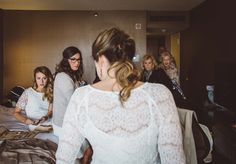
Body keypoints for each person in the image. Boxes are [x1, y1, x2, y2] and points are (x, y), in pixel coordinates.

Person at [56, 27, 185, 164]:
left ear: (100, 58)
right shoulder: (160, 94)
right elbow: (174, 159)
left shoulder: (81, 97)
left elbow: (64, 158)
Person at [52, 46, 91, 164]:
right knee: (80, 153)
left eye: (78, 60)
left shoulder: (72, 75)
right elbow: (74, 102)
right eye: (73, 59)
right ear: (66, 60)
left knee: (88, 149)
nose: (77, 62)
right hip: (63, 123)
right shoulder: (63, 77)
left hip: (71, 120)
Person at [14, 66, 53, 131]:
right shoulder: (28, 92)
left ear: (48, 79)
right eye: (38, 78)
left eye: (44, 78)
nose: (41, 81)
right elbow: (16, 113)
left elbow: (50, 111)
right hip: (34, 124)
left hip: (49, 122)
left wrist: (45, 118)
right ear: (35, 79)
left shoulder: (51, 92)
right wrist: (26, 121)